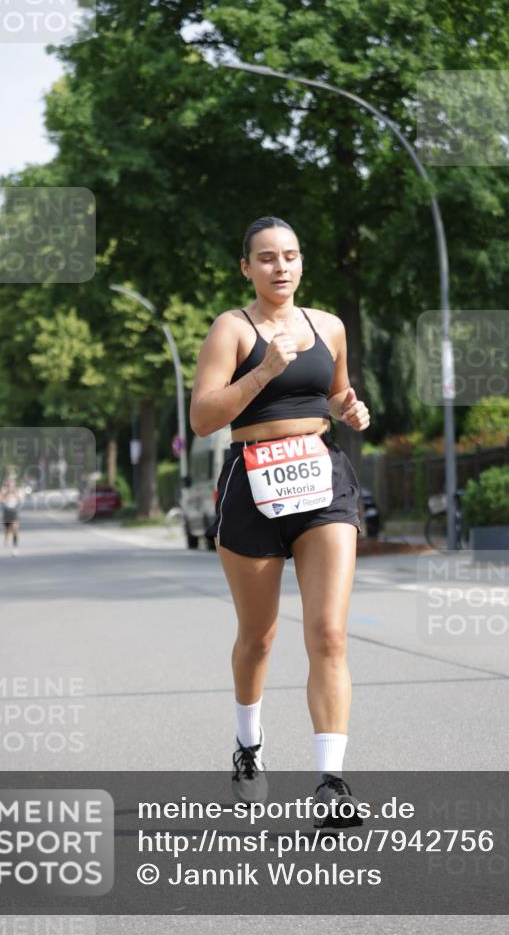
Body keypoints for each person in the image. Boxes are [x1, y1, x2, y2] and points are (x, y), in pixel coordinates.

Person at [190, 216, 371, 829]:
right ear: (246, 267)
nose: (280, 267)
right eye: (265, 258)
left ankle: (331, 781)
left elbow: (338, 395)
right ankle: (248, 745)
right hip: (254, 482)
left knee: (328, 634)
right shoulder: (231, 329)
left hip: (320, 479)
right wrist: (264, 370)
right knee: (259, 636)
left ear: (301, 262)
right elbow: (203, 418)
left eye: (290, 255)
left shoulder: (330, 326)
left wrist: (351, 408)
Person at [0, 473, 24, 556]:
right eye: (9, 482)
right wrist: (6, 494)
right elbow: (0, 499)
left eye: (12, 482)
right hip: (6, 512)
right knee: (7, 529)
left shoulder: (17, 490)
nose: (10, 484)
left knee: (15, 529)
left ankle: (15, 547)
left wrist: (14, 492)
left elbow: (20, 499)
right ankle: (6, 537)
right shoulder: (3, 490)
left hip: (14, 512)